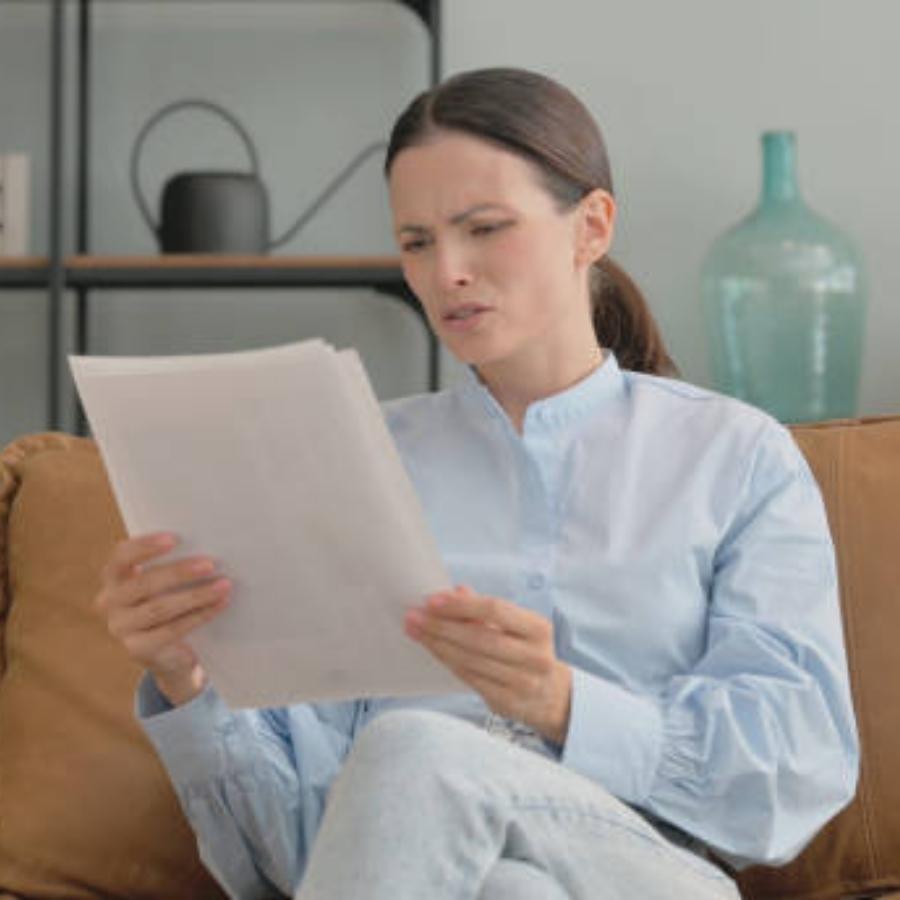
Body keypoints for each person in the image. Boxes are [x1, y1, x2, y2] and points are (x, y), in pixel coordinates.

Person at [96, 67, 858, 899]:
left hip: (650, 875)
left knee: (415, 746)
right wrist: (188, 678)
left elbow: (795, 768)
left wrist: (562, 703)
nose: (447, 271)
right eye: (417, 242)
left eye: (484, 228)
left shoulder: (736, 456)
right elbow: (300, 848)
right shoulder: (355, 460)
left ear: (591, 227)